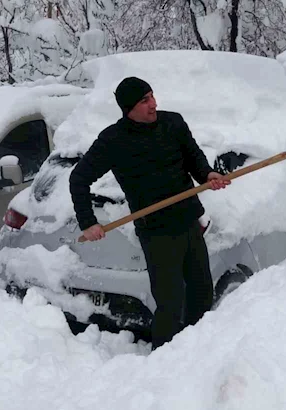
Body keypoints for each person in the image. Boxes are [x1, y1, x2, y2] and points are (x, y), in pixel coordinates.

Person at [68, 76, 230, 350]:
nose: (153, 104)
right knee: (170, 302)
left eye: (152, 96)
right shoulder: (113, 140)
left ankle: (198, 352)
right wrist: (88, 222)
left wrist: (207, 174)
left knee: (202, 294)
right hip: (156, 232)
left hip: (189, 221)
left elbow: (193, 156)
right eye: (145, 101)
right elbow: (78, 179)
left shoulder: (173, 123)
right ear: (128, 108)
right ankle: (164, 359)